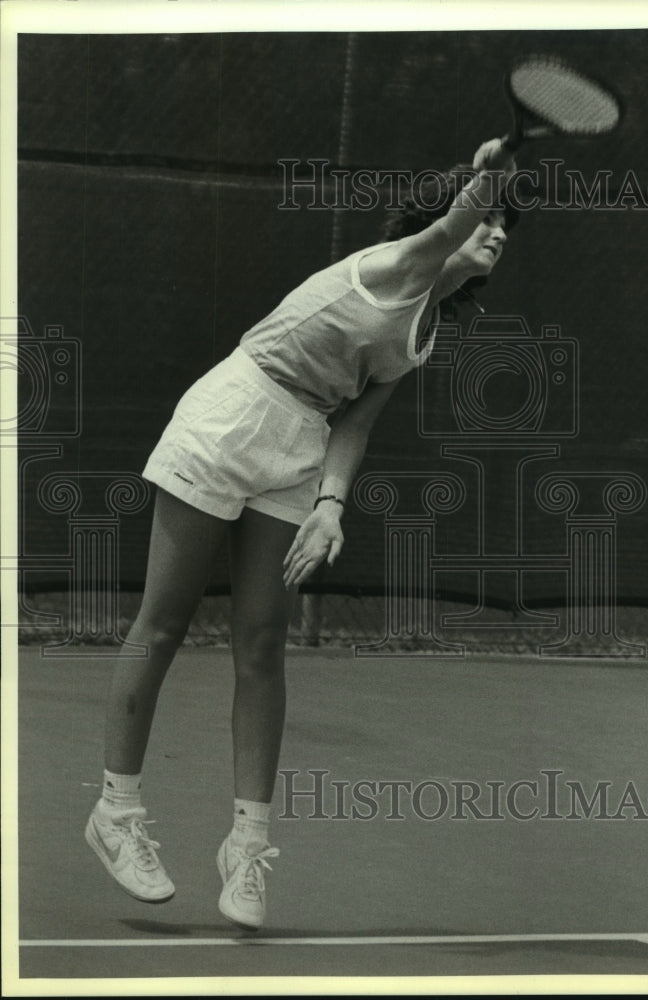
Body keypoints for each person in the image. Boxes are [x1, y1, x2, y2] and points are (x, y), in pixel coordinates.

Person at [85, 137, 518, 930]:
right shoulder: (397, 264)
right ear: (448, 220)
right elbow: (449, 223)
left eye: (504, 225)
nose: (495, 230)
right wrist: (483, 175)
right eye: (487, 217)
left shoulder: (421, 331)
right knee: (164, 623)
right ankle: (115, 812)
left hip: (300, 446)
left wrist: (330, 504)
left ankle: (246, 847)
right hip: (231, 414)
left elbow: (356, 421)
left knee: (260, 643)